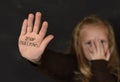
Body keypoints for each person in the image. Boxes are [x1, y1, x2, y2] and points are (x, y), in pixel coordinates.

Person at [18, 12, 120, 82]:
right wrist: (39, 57)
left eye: (102, 42)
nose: (96, 47)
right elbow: (57, 63)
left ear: (110, 44)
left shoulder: (116, 73)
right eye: (89, 43)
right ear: (79, 46)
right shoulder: (72, 67)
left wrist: (100, 64)